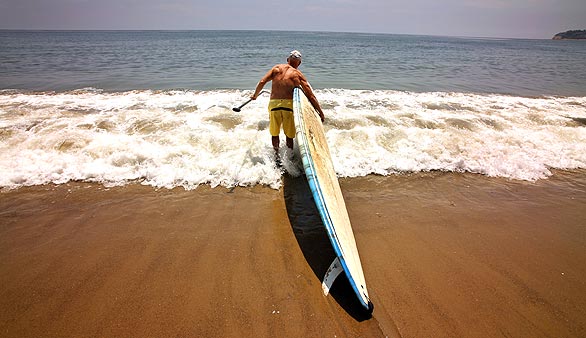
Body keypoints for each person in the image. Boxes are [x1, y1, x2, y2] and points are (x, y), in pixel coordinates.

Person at [250, 50, 325, 152]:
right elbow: (310, 95)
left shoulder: (276, 68)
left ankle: (276, 155)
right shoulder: (297, 74)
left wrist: (255, 95)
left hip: (274, 104)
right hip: (288, 106)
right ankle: (290, 156)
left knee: (274, 133)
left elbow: (262, 81)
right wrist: (320, 111)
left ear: (287, 60)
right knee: (289, 135)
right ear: (299, 63)